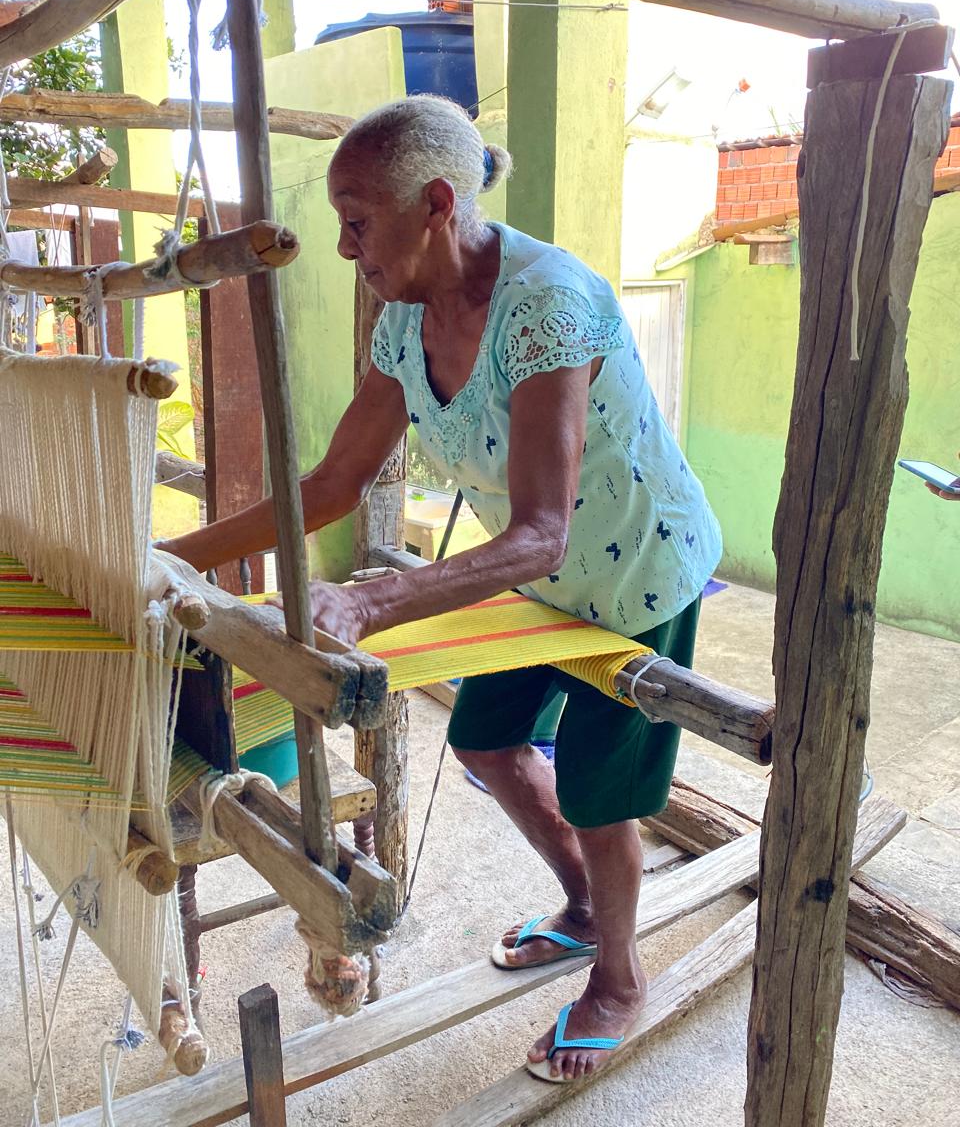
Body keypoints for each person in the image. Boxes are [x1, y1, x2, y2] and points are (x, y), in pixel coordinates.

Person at [160, 95, 722, 1083]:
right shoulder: (403, 321)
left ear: (435, 204)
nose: (345, 247)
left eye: (357, 221)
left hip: (634, 569)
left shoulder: (546, 305)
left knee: (602, 794)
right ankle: (583, 906)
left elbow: (541, 531)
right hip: (538, 584)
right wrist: (171, 553)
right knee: (488, 741)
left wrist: (368, 602)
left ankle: (621, 977)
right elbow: (332, 484)